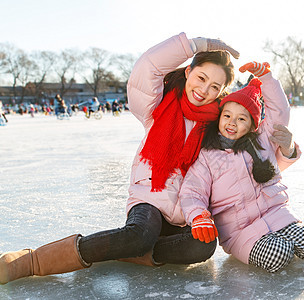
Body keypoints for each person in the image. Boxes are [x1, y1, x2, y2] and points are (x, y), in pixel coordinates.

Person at [0, 33, 244, 284]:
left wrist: (285, 148)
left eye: (215, 87)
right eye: (201, 78)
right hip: (149, 198)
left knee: (203, 246)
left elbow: (245, 157)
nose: (204, 90)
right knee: (139, 235)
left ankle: (127, 251)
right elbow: (148, 67)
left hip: (185, 211)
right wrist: (196, 45)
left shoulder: (218, 126)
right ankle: (34, 260)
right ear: (188, 72)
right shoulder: (157, 105)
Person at [180, 62, 304, 273]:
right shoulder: (208, 156)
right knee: (277, 256)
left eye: (241, 118)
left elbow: (280, 112)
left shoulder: (262, 141)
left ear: (253, 125)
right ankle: (296, 242)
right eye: (227, 116)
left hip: (278, 215)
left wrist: (267, 79)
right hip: (241, 233)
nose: (232, 123)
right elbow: (192, 190)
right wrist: (198, 216)